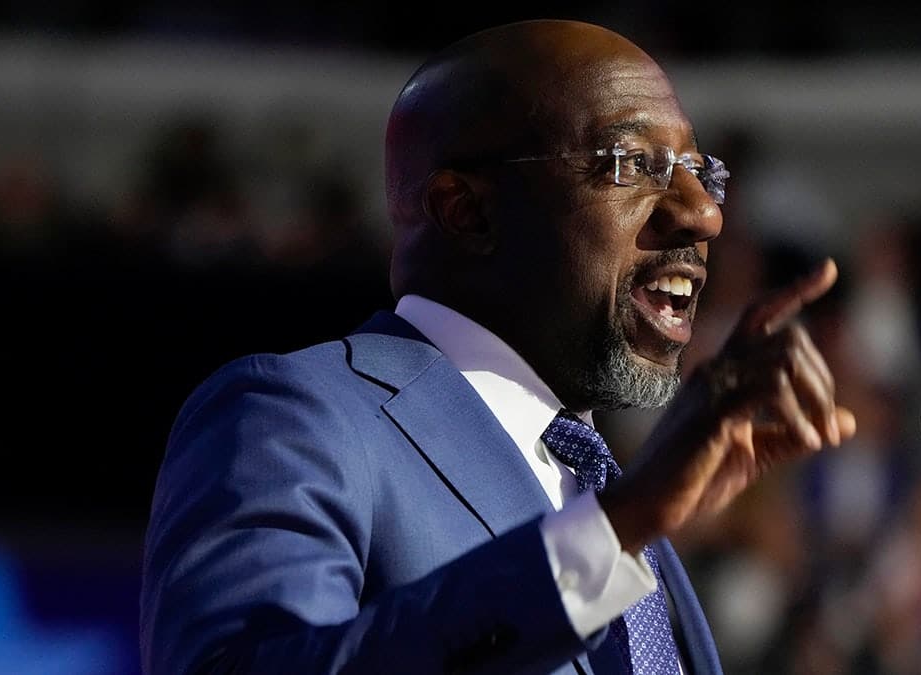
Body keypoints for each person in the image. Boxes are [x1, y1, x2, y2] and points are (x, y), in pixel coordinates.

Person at [139, 18, 855, 675]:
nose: (704, 212)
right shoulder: (296, 416)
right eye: (634, 164)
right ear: (467, 211)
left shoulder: (612, 493)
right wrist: (616, 527)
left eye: (704, 173)